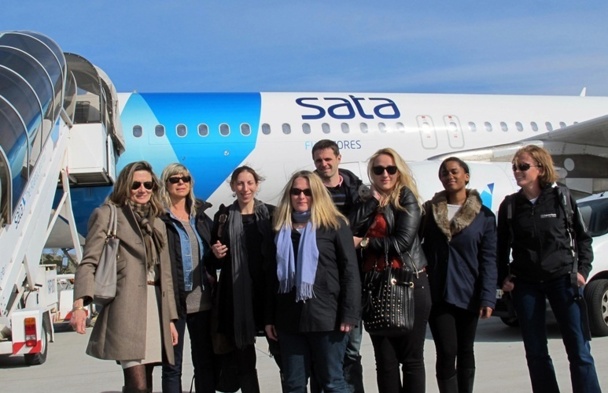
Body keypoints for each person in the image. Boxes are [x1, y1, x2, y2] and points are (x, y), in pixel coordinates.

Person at [497, 145, 601, 393]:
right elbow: (500, 247)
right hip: (526, 284)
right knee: (535, 352)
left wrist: (582, 271)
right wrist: (503, 277)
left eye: (523, 166)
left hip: (562, 280)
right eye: (514, 167)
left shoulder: (562, 198)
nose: (517, 171)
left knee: (578, 348)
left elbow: (583, 239)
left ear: (540, 168)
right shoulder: (510, 206)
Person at [70, 161, 178, 393]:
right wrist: (79, 304)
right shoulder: (108, 215)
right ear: (124, 187)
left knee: (147, 381)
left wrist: (170, 318)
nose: (142, 190)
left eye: (147, 184)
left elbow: (165, 275)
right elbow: (89, 261)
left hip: (155, 306)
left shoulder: (158, 223)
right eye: (135, 185)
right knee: (137, 384)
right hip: (126, 307)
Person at [265, 170, 361, 393]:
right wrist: (269, 317)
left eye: (307, 192)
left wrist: (349, 314)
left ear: (317, 194)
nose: (301, 197)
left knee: (332, 382)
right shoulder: (280, 229)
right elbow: (272, 277)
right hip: (289, 320)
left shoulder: (334, 225)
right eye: (296, 192)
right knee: (293, 384)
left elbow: (350, 272)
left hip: (327, 318)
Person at [350, 147, 431, 393]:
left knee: (411, 358)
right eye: (378, 170)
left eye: (390, 169)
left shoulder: (406, 198)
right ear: (371, 173)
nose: (385, 174)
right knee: (385, 361)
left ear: (398, 171)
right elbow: (349, 228)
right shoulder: (366, 201)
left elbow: (401, 243)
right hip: (375, 285)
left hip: (408, 281)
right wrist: (373, 201)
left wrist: (364, 243)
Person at [420, 157, 497, 393]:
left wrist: (487, 297)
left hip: (469, 292)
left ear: (466, 176)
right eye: (444, 172)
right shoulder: (429, 212)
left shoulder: (484, 216)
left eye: (454, 171)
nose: (449, 176)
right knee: (446, 350)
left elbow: (489, 259)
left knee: (466, 350)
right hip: (439, 293)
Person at [208, 166, 275, 393]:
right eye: (240, 183)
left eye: (250, 183)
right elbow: (214, 260)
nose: (245, 189)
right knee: (245, 361)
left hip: (268, 295)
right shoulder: (223, 217)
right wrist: (215, 255)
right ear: (233, 186)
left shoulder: (272, 214)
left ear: (257, 184)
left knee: (284, 355)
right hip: (237, 298)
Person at [312, 139, 365, 393]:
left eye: (327, 159)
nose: (323, 164)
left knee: (352, 347)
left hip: (352, 275)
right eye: (319, 161)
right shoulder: (308, 191)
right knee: (325, 348)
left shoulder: (356, 189)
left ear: (338, 158)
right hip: (322, 280)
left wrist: (362, 241)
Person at [159, 163, 215, 393]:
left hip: (203, 303)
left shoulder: (200, 217)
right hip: (174, 304)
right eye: (175, 179)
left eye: (185, 178)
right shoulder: (159, 219)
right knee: (172, 366)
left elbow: (211, 257)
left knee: (205, 364)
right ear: (166, 184)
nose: (181, 182)